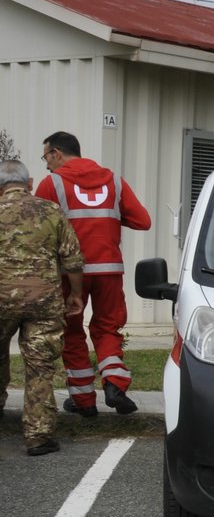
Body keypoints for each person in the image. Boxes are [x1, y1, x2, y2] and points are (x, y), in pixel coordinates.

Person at [36, 131, 151, 416]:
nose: (47, 165)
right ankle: (114, 383)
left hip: (68, 272)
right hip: (109, 269)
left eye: (46, 157)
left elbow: (40, 230)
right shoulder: (114, 181)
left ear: (57, 154)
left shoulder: (52, 183)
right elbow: (143, 221)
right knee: (107, 327)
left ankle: (83, 401)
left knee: (72, 331)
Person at [0, 158, 84, 456]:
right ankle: (38, 437)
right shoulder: (50, 210)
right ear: (31, 184)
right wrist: (75, 294)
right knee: (39, 368)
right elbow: (72, 258)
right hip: (44, 301)